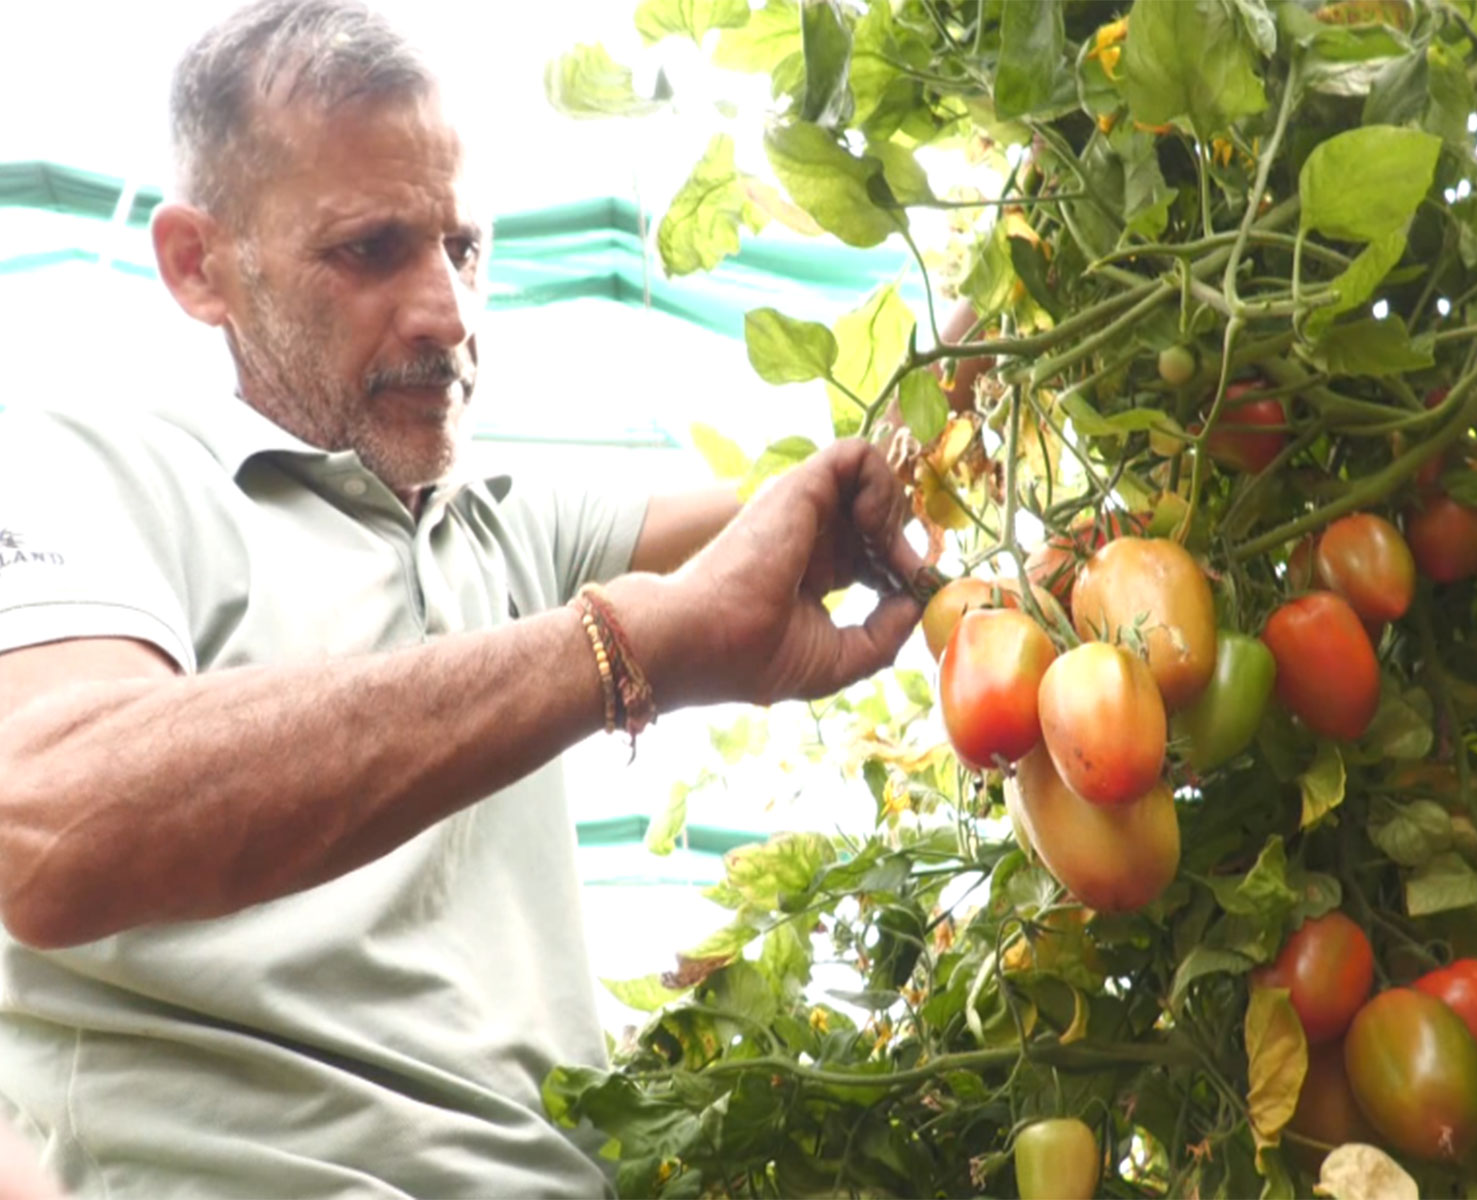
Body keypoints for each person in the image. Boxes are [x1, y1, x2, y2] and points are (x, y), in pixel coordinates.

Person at [0, 1, 925, 1195]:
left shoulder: (501, 520)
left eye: (465, 247)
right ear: (199, 265)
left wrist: (999, 340)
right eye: (371, 250)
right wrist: (609, 651)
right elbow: (52, 829)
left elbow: (822, 510)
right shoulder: (89, 467)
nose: (448, 314)